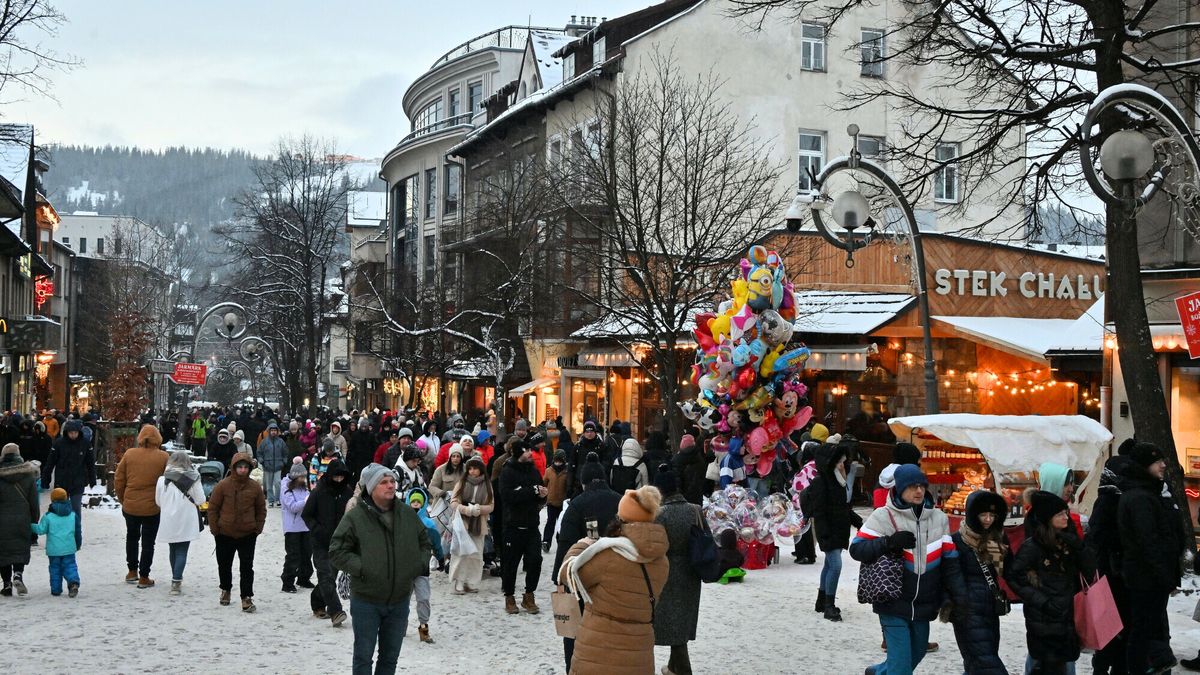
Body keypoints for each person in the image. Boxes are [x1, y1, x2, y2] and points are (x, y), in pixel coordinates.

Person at [850, 464, 965, 675]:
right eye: (912, 486)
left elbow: (950, 560)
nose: (919, 491)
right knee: (901, 667)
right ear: (900, 489)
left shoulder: (939, 518)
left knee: (918, 652)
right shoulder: (883, 516)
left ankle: (878, 672)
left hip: (924, 603)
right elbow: (856, 549)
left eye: (922, 486)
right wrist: (888, 542)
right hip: (892, 601)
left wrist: (957, 595)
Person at [329, 464, 433, 675]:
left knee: (389, 658)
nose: (390, 485)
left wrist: (416, 565)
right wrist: (363, 567)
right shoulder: (355, 516)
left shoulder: (406, 513)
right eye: (384, 482)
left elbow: (424, 542)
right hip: (367, 600)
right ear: (371, 487)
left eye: (392, 481)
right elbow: (337, 550)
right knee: (363, 657)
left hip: (399, 600)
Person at [558, 485, 669, 675]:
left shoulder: (609, 555)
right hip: (639, 651)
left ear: (623, 519)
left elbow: (568, 575)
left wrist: (581, 546)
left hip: (599, 651)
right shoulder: (661, 560)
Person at [1007, 490, 1092, 675]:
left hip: (1068, 616)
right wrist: (1041, 601)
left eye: (1066, 514)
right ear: (1048, 518)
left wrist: (1081, 548)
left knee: (1067, 663)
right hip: (1042, 618)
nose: (1066, 518)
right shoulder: (1032, 546)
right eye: (1060, 514)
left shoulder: (1069, 542)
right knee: (1043, 665)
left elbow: (1090, 572)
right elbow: (1015, 577)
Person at [553, 451, 622, 671]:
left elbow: (565, 543)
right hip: (615, 576)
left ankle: (573, 668)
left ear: (583, 482)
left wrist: (560, 576)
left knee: (575, 629)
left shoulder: (577, 505)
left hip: (581, 577)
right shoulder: (620, 501)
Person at [1117, 442, 1182, 673]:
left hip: (1150, 575)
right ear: (1145, 466)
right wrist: (1165, 574)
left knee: (1147, 628)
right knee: (1144, 630)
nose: (1164, 465)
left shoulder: (1150, 493)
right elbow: (1149, 542)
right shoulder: (1140, 498)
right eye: (1158, 461)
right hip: (1146, 577)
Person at [948, 490, 1011, 674]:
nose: (988, 520)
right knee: (988, 664)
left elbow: (1010, 571)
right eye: (983, 514)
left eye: (992, 515)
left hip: (990, 609)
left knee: (976, 663)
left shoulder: (997, 538)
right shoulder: (956, 541)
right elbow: (950, 578)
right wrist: (959, 605)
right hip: (967, 612)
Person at [653, 466, 705, 675]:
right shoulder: (695, 510)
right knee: (681, 622)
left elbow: (654, 545)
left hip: (666, 572)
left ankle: (683, 670)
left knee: (672, 624)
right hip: (692, 571)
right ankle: (674, 667)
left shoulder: (660, 514)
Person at [804, 442, 863, 622]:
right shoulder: (821, 482)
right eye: (839, 462)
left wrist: (856, 520)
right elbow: (820, 512)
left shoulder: (838, 480)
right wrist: (824, 535)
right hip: (829, 532)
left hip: (838, 530)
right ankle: (829, 605)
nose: (842, 465)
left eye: (843, 462)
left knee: (829, 565)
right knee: (835, 565)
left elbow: (842, 507)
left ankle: (821, 601)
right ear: (828, 463)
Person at [207, 451, 267, 612]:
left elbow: (261, 509)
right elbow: (213, 508)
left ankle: (246, 597)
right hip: (224, 533)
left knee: (247, 567)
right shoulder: (223, 485)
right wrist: (215, 529)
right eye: (239, 467)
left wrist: (257, 527)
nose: (242, 470)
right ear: (234, 467)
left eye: (245, 467)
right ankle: (225, 589)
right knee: (224, 564)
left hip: (248, 533)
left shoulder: (254, 487)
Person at [114, 424, 168, 588]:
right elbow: (168, 482)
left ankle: (132, 571)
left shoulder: (130, 454)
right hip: (152, 506)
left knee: (132, 537)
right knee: (148, 542)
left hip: (131, 505)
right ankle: (144, 576)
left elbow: (119, 479)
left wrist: (123, 498)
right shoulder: (163, 457)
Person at [301, 457, 351, 627]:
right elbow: (306, 515)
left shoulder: (347, 492)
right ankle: (336, 611)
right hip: (320, 541)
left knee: (330, 577)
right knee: (326, 575)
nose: (338, 480)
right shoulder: (318, 491)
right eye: (335, 477)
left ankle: (317, 601)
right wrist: (317, 530)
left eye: (341, 477)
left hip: (339, 543)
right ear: (329, 475)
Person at [499, 438, 546, 615]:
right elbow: (508, 496)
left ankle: (529, 595)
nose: (529, 452)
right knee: (511, 564)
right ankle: (509, 597)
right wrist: (531, 491)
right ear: (518, 453)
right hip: (513, 525)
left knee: (535, 560)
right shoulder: (507, 471)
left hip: (532, 524)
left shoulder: (533, 471)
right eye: (526, 450)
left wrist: (542, 495)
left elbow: (539, 490)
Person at [155, 450, 205, 596]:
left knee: (173, 549)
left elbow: (158, 501)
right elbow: (201, 500)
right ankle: (176, 580)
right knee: (182, 550)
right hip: (186, 518)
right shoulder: (193, 478)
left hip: (168, 518)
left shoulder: (162, 480)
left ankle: (175, 576)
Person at [41, 419, 95, 549]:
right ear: (66, 432)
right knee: (58, 510)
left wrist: (92, 478)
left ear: (79, 432)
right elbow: (50, 462)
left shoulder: (85, 444)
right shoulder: (59, 443)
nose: (73, 435)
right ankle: (59, 537)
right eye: (70, 433)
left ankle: (76, 539)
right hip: (62, 482)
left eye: (75, 432)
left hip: (78, 482)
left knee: (76, 510)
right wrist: (46, 478)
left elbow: (90, 462)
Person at [404, 487, 445, 644]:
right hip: (405, 570)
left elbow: (436, 543)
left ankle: (424, 627)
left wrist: (440, 558)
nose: (415, 504)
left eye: (418, 502)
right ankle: (401, 625)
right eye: (413, 501)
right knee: (402, 600)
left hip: (422, 569)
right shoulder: (402, 522)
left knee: (423, 599)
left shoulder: (428, 524)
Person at [450, 456, 494, 594]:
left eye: (475, 468)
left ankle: (472, 581)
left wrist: (479, 509)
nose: (472, 471)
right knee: (462, 553)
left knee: (476, 553)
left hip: (479, 522)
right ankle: (459, 581)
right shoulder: (462, 482)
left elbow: (491, 505)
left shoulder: (487, 485)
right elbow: (453, 502)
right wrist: (466, 509)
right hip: (463, 522)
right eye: (470, 468)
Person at [0, 443, 38, 596]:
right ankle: (18, 574)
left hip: (2, 521)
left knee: (3, 553)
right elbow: (34, 502)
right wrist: (34, 520)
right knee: (19, 549)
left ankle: (7, 584)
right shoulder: (28, 476)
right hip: (22, 519)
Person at [30, 487, 80, 597]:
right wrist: (78, 543)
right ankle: (73, 582)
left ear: (52, 500)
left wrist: (30, 525)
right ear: (66, 498)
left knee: (55, 569)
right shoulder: (72, 515)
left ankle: (56, 589)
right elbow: (77, 531)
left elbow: (41, 530)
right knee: (70, 566)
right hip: (69, 548)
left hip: (54, 550)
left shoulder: (48, 516)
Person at [281, 461, 314, 593]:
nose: (303, 480)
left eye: (304, 477)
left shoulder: (305, 488)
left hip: (306, 526)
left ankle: (304, 578)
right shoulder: (286, 488)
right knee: (293, 555)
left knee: (307, 553)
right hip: (292, 527)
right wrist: (307, 501)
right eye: (300, 477)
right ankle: (288, 582)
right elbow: (293, 507)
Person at [872, 442, 921, 508]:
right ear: (912, 458)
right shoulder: (908, 475)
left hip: (879, 512)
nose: (919, 463)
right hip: (898, 513)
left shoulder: (885, 472)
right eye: (917, 459)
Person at [542, 449, 570, 553]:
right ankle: (546, 541)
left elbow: (569, 486)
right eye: (556, 461)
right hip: (551, 502)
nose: (558, 463)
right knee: (550, 522)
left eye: (560, 461)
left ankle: (561, 542)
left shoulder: (567, 471)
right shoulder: (549, 470)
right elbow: (544, 483)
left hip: (563, 503)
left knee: (561, 524)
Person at [672, 434, 707, 506]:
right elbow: (703, 476)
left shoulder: (677, 459)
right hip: (697, 495)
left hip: (682, 497)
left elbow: (676, 479)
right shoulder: (699, 458)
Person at [258, 422, 287, 508]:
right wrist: (262, 461)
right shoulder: (264, 442)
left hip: (278, 465)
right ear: (269, 431)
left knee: (278, 483)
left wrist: (283, 462)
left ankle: (278, 499)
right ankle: (271, 500)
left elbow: (285, 452)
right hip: (267, 465)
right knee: (269, 484)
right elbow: (259, 453)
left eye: (275, 430)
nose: (273, 432)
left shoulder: (281, 442)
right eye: (272, 430)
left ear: (277, 431)